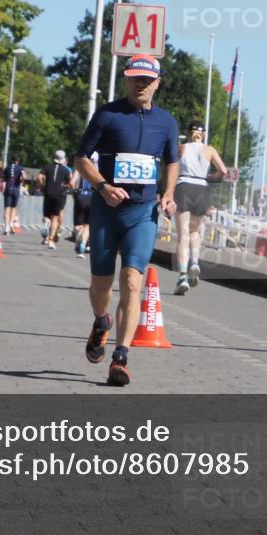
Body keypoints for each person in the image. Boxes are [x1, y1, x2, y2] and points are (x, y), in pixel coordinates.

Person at [74, 54, 179, 387]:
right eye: (135, 78)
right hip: (107, 211)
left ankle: (121, 357)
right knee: (100, 287)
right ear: (126, 80)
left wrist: (168, 193)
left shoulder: (167, 122)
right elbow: (80, 159)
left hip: (142, 214)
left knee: (133, 282)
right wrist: (103, 186)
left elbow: (172, 162)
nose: (141, 84)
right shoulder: (107, 114)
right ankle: (101, 322)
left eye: (147, 80)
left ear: (158, 82)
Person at [173, 120, 228, 295]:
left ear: (189, 133)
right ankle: (195, 261)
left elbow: (172, 168)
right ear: (203, 134)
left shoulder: (181, 148)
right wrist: (211, 176)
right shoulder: (209, 150)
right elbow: (224, 171)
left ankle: (182, 276)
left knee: (183, 233)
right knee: (195, 231)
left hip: (183, 186)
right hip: (201, 188)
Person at [38, 150, 71, 249]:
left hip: (48, 193)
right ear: (63, 159)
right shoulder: (66, 170)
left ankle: (46, 222)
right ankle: (51, 240)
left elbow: (39, 177)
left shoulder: (47, 167)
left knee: (46, 216)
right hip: (59, 195)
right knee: (55, 218)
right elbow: (69, 183)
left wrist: (42, 186)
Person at [69, 157, 96, 258]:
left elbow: (71, 183)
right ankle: (83, 244)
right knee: (88, 225)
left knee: (78, 225)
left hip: (80, 195)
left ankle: (79, 237)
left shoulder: (79, 168)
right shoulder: (96, 169)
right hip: (92, 196)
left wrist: (74, 193)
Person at [0, 155, 25, 235]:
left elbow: (2, 179)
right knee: (14, 208)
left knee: (7, 208)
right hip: (16, 189)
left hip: (8, 189)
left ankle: (6, 227)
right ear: (18, 160)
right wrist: (21, 180)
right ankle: (11, 223)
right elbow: (24, 176)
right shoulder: (20, 168)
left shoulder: (7, 168)